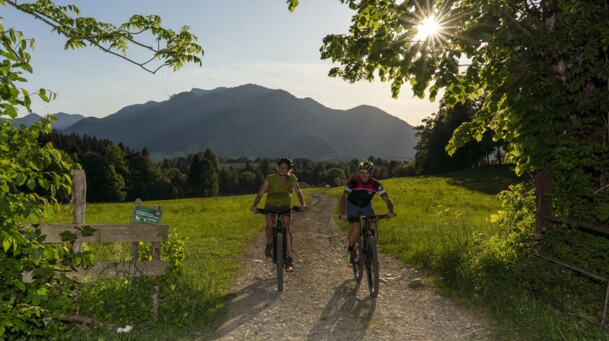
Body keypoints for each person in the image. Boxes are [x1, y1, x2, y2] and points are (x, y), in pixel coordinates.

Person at [250, 157, 307, 271]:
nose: (282, 170)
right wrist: (254, 205)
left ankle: (289, 258)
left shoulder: (292, 179)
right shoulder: (270, 179)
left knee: (287, 227)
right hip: (271, 205)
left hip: (285, 206)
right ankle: (269, 243)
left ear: (288, 169)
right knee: (270, 224)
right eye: (280, 167)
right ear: (277, 167)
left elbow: (298, 191)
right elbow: (261, 193)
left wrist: (303, 204)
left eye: (285, 168)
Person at [339, 160, 396, 264]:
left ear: (371, 174)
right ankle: (351, 249)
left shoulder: (376, 184)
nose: (363, 175)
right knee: (356, 227)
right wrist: (343, 213)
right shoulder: (353, 182)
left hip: (366, 206)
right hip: (352, 205)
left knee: (373, 225)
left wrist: (391, 211)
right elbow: (343, 198)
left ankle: (372, 252)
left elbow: (387, 200)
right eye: (361, 173)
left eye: (366, 173)